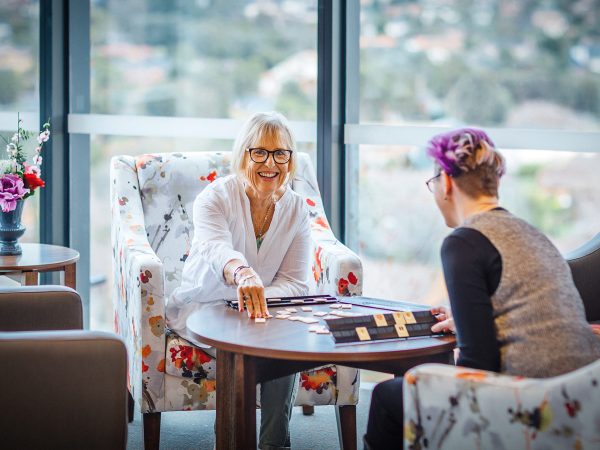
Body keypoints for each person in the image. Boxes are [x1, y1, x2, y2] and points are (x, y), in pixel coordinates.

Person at [364, 128, 600, 450]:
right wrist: (466, 321)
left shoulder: (463, 242)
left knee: (388, 397)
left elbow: (479, 363)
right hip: (585, 396)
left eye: (433, 183)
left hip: (536, 402)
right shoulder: (530, 233)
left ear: (446, 182)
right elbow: (523, 312)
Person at [166, 111, 311, 450]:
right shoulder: (214, 199)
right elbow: (216, 248)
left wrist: (256, 298)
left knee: (284, 347)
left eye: (280, 153)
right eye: (259, 152)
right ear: (243, 154)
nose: (270, 163)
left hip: (262, 311)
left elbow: (295, 283)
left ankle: (274, 445)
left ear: (290, 160)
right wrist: (243, 274)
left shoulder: (297, 209)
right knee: (239, 350)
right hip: (207, 308)